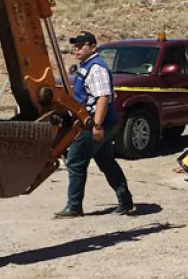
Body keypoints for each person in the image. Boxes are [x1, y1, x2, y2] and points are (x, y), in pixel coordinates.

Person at [55, 31, 135, 218]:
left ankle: (74, 206)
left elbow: (102, 98)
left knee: (75, 161)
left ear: (92, 46)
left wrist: (96, 126)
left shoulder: (96, 68)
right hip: (93, 121)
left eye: (81, 45)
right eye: (75, 45)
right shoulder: (87, 66)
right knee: (106, 161)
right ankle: (125, 201)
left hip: (93, 122)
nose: (77, 49)